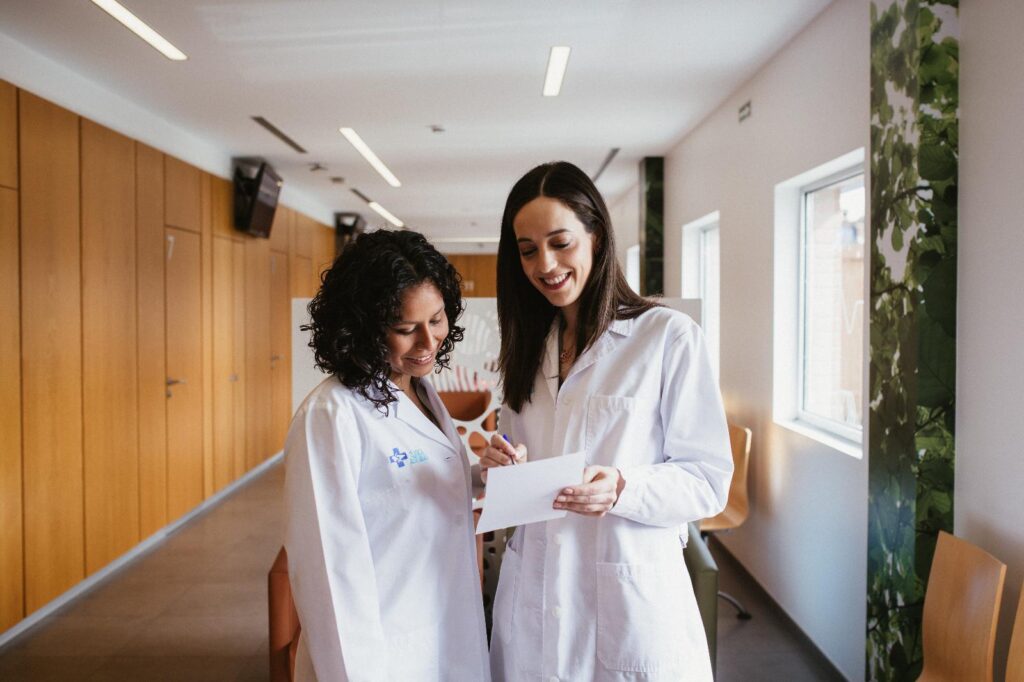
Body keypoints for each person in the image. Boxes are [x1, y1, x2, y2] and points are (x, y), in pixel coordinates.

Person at [482, 161, 733, 682]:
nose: (544, 264)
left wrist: (622, 486)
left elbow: (708, 482)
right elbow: (518, 451)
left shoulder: (666, 337)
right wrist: (501, 459)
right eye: (528, 250)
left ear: (596, 235)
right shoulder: (530, 344)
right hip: (535, 595)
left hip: (629, 600)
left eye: (560, 242)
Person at [284, 229, 491, 682]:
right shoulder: (332, 414)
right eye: (404, 329)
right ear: (362, 327)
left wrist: (481, 478)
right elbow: (328, 572)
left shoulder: (418, 390)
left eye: (437, 320)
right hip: (379, 654)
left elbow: (415, 490)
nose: (428, 342)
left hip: (444, 625)